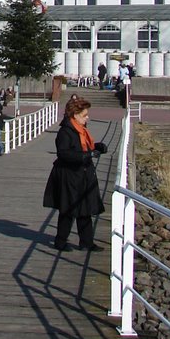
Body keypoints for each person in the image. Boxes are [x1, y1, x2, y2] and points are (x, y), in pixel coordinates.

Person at [43, 95, 107, 252]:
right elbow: (63, 153)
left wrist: (97, 147)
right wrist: (87, 155)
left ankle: (87, 242)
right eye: (84, 115)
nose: (87, 118)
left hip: (83, 174)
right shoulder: (65, 132)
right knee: (68, 210)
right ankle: (61, 241)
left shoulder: (81, 131)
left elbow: (83, 147)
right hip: (68, 175)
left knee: (85, 209)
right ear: (75, 115)